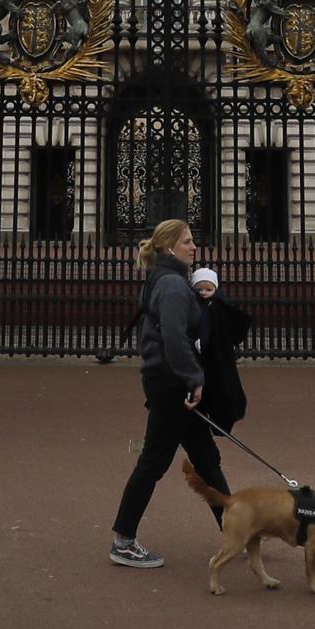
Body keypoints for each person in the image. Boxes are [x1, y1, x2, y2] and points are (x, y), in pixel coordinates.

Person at [106, 218, 232, 569]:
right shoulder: (174, 286)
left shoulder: (165, 280)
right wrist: (194, 378)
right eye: (188, 241)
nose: (194, 247)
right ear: (168, 248)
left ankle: (236, 530)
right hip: (172, 383)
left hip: (167, 379)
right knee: (154, 461)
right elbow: (175, 339)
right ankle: (123, 540)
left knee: (205, 457)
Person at [190, 265, 251, 433]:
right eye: (199, 289)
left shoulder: (217, 306)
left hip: (215, 359)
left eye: (208, 289)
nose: (203, 293)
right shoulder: (195, 305)